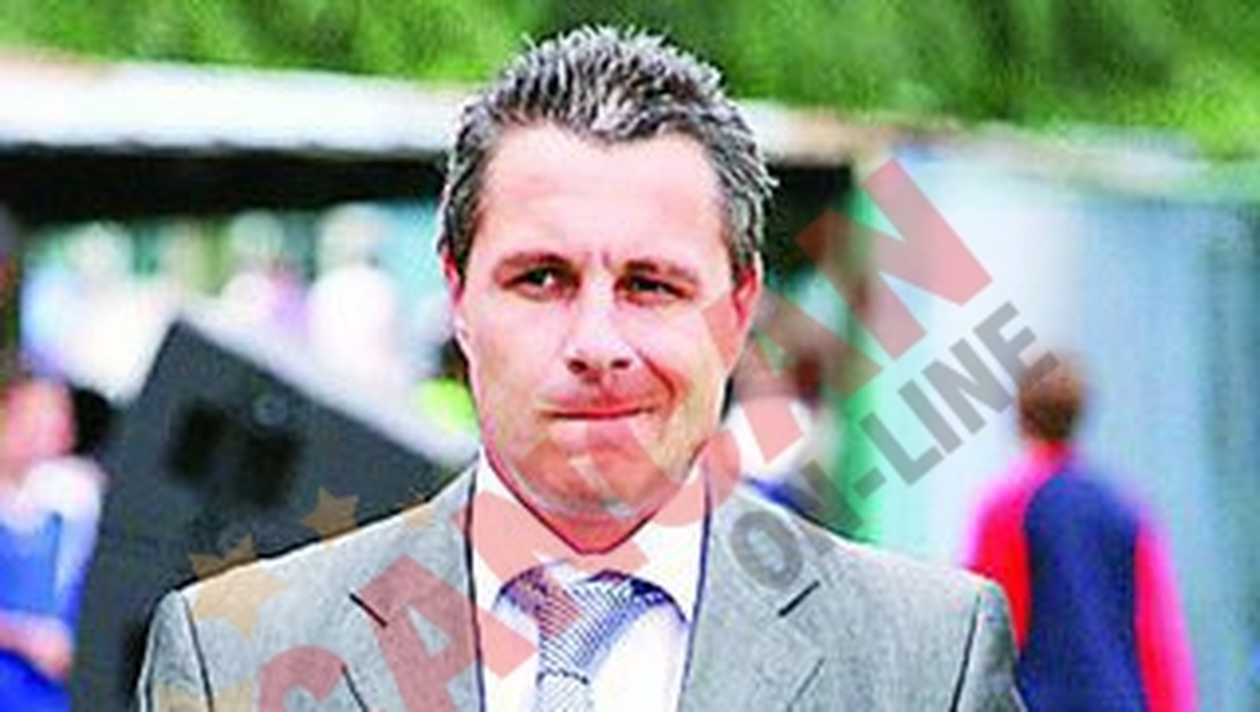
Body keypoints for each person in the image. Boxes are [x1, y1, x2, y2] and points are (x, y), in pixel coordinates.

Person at [136, 26, 1023, 711]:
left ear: (739, 308)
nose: (597, 343)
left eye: (651, 284)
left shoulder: (926, 660)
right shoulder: (233, 664)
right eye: (542, 278)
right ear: (457, 295)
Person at [967, 358, 1196, 711]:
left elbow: (991, 632)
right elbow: (1158, 641)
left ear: (1021, 416)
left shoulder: (1008, 508)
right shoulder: (1126, 509)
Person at [0, 378, 108, 712]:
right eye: (29, 421)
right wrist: (25, 638)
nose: (35, 438)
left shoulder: (62, 522)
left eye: (51, 427)